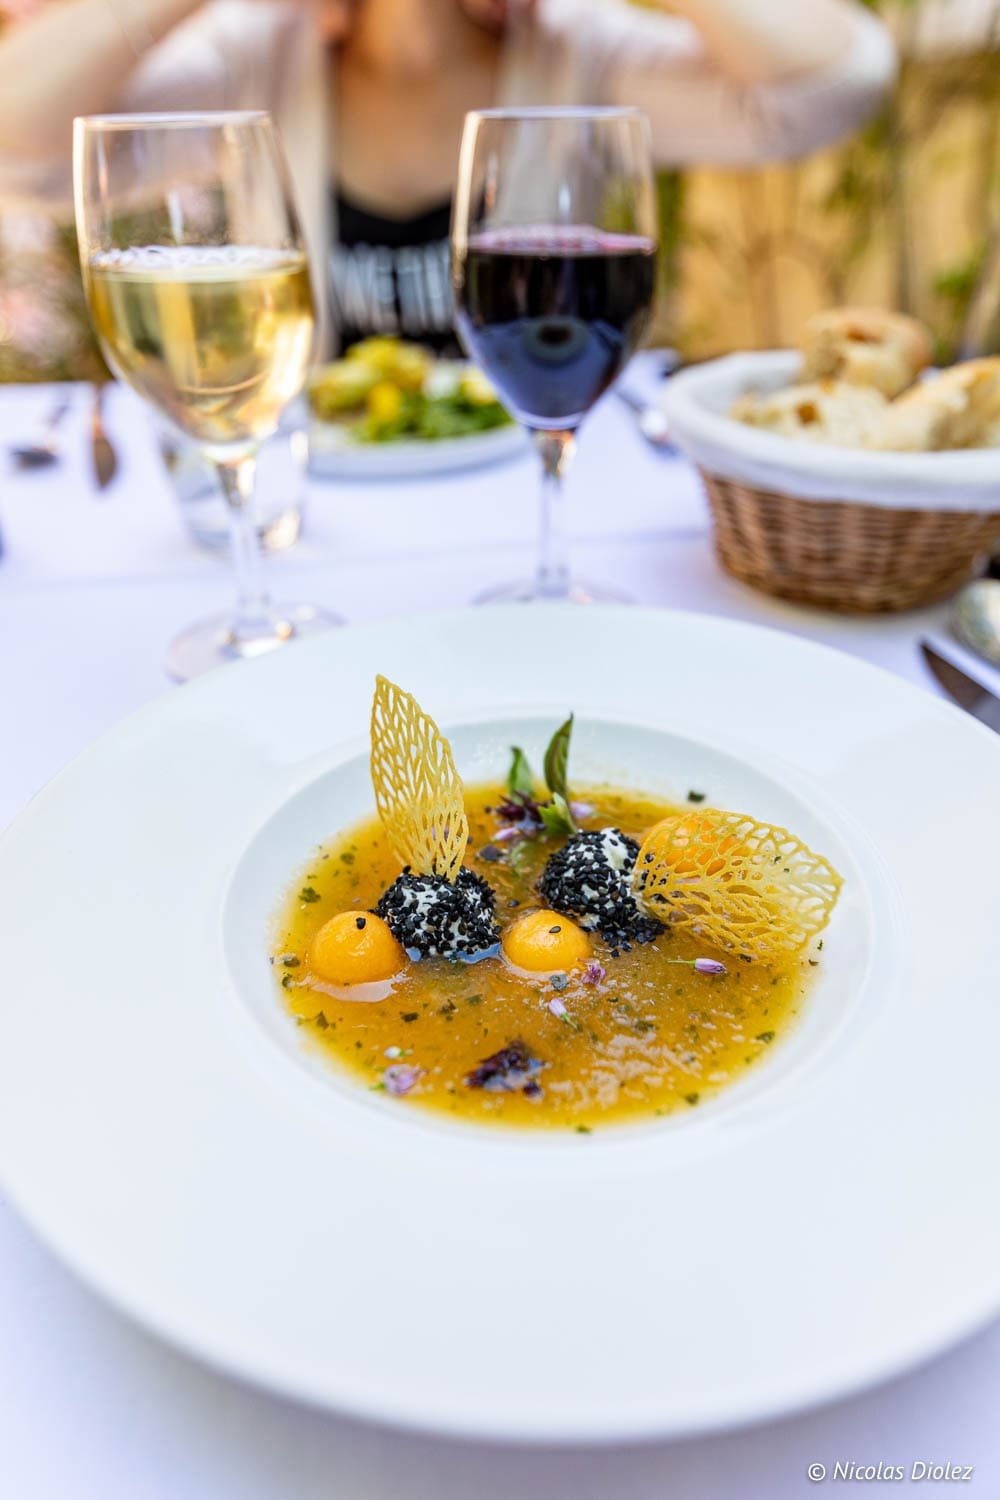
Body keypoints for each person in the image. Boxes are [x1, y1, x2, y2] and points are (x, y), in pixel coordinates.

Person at [0, 0, 895, 352]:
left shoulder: (578, 50)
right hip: (334, 529)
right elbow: (24, 157)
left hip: (542, 494)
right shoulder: (262, 56)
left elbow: (832, 88)